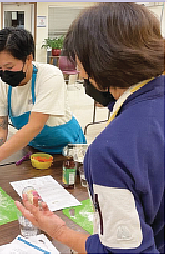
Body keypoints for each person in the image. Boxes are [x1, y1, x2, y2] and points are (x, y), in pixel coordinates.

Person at [16, 2, 164, 254]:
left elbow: (124, 252)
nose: (80, 74)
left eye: (79, 64)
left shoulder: (110, 151)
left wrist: (60, 231)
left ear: (97, 63)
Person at [0, 27, 86, 181]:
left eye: (10, 67)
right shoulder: (0, 86)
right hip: (37, 152)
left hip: (68, 154)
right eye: (0, 68)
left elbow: (35, 126)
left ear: (28, 59)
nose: (4, 73)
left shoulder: (49, 76)